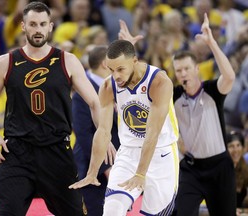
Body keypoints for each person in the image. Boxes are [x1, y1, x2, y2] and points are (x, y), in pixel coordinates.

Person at [0, 2, 102, 215]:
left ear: (51, 26)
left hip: (56, 151)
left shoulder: (68, 60)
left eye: (42, 24)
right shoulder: (6, 61)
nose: (38, 29)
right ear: (23, 26)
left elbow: (94, 102)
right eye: (33, 24)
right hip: (17, 151)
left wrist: (104, 135)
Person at [70, 39, 180, 215]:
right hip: (128, 152)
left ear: (134, 61)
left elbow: (152, 133)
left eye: (121, 69)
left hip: (161, 153)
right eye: (111, 70)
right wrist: (92, 173)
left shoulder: (159, 82)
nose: (116, 76)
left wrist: (141, 174)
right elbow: (103, 131)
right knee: (112, 210)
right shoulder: (108, 85)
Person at [172, 13, 236, 216]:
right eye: (178, 70)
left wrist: (211, 43)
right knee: (180, 212)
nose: (182, 74)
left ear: (197, 69)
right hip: (191, 169)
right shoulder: (174, 96)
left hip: (220, 167)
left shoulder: (211, 91)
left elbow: (229, 76)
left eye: (186, 69)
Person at [72, 45, 120, 216]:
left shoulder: (116, 87)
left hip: (118, 166)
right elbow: (84, 135)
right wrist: (106, 167)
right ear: (105, 64)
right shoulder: (82, 93)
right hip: (95, 171)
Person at [226, 130, 248, 212]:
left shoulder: (245, 168)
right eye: (231, 146)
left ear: (242, 148)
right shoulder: (220, 171)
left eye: (238, 145)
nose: (235, 150)